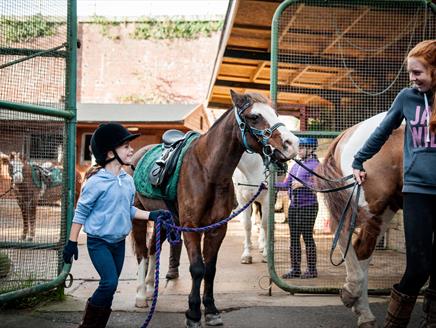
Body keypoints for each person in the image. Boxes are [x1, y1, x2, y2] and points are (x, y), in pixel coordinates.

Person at [352, 40, 436, 328]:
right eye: (410, 73)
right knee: (418, 267)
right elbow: (382, 131)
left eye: (417, 72)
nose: (412, 79)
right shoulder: (407, 98)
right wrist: (358, 161)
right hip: (418, 192)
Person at [62, 122, 169, 328]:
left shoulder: (127, 181)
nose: (131, 150)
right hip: (99, 243)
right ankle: (87, 325)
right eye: (126, 147)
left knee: (111, 288)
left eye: (130, 146)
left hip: (118, 243)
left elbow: (127, 209)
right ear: (110, 153)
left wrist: (153, 215)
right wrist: (71, 242)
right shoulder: (95, 182)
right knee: (109, 283)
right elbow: (81, 212)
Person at [276, 137, 320, 279]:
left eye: (302, 148)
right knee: (294, 238)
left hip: (309, 206)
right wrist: (269, 185)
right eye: (299, 147)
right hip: (294, 206)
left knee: (307, 237)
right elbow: (286, 184)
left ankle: (312, 270)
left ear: (310, 149)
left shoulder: (316, 165)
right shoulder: (295, 165)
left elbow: (320, 186)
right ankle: (295, 269)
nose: (299, 150)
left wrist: (303, 184)